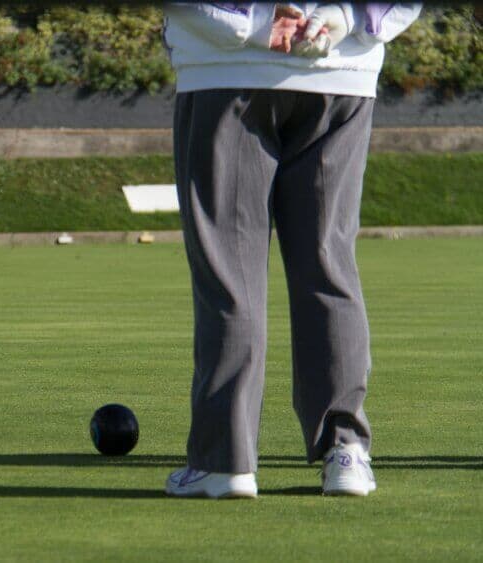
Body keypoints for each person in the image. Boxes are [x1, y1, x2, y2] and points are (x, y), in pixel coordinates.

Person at [160, 3, 422, 498]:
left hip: (225, 72)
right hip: (342, 72)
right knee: (329, 262)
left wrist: (255, 25)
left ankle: (224, 460)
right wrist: (343, 18)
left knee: (229, 271)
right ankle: (346, 451)